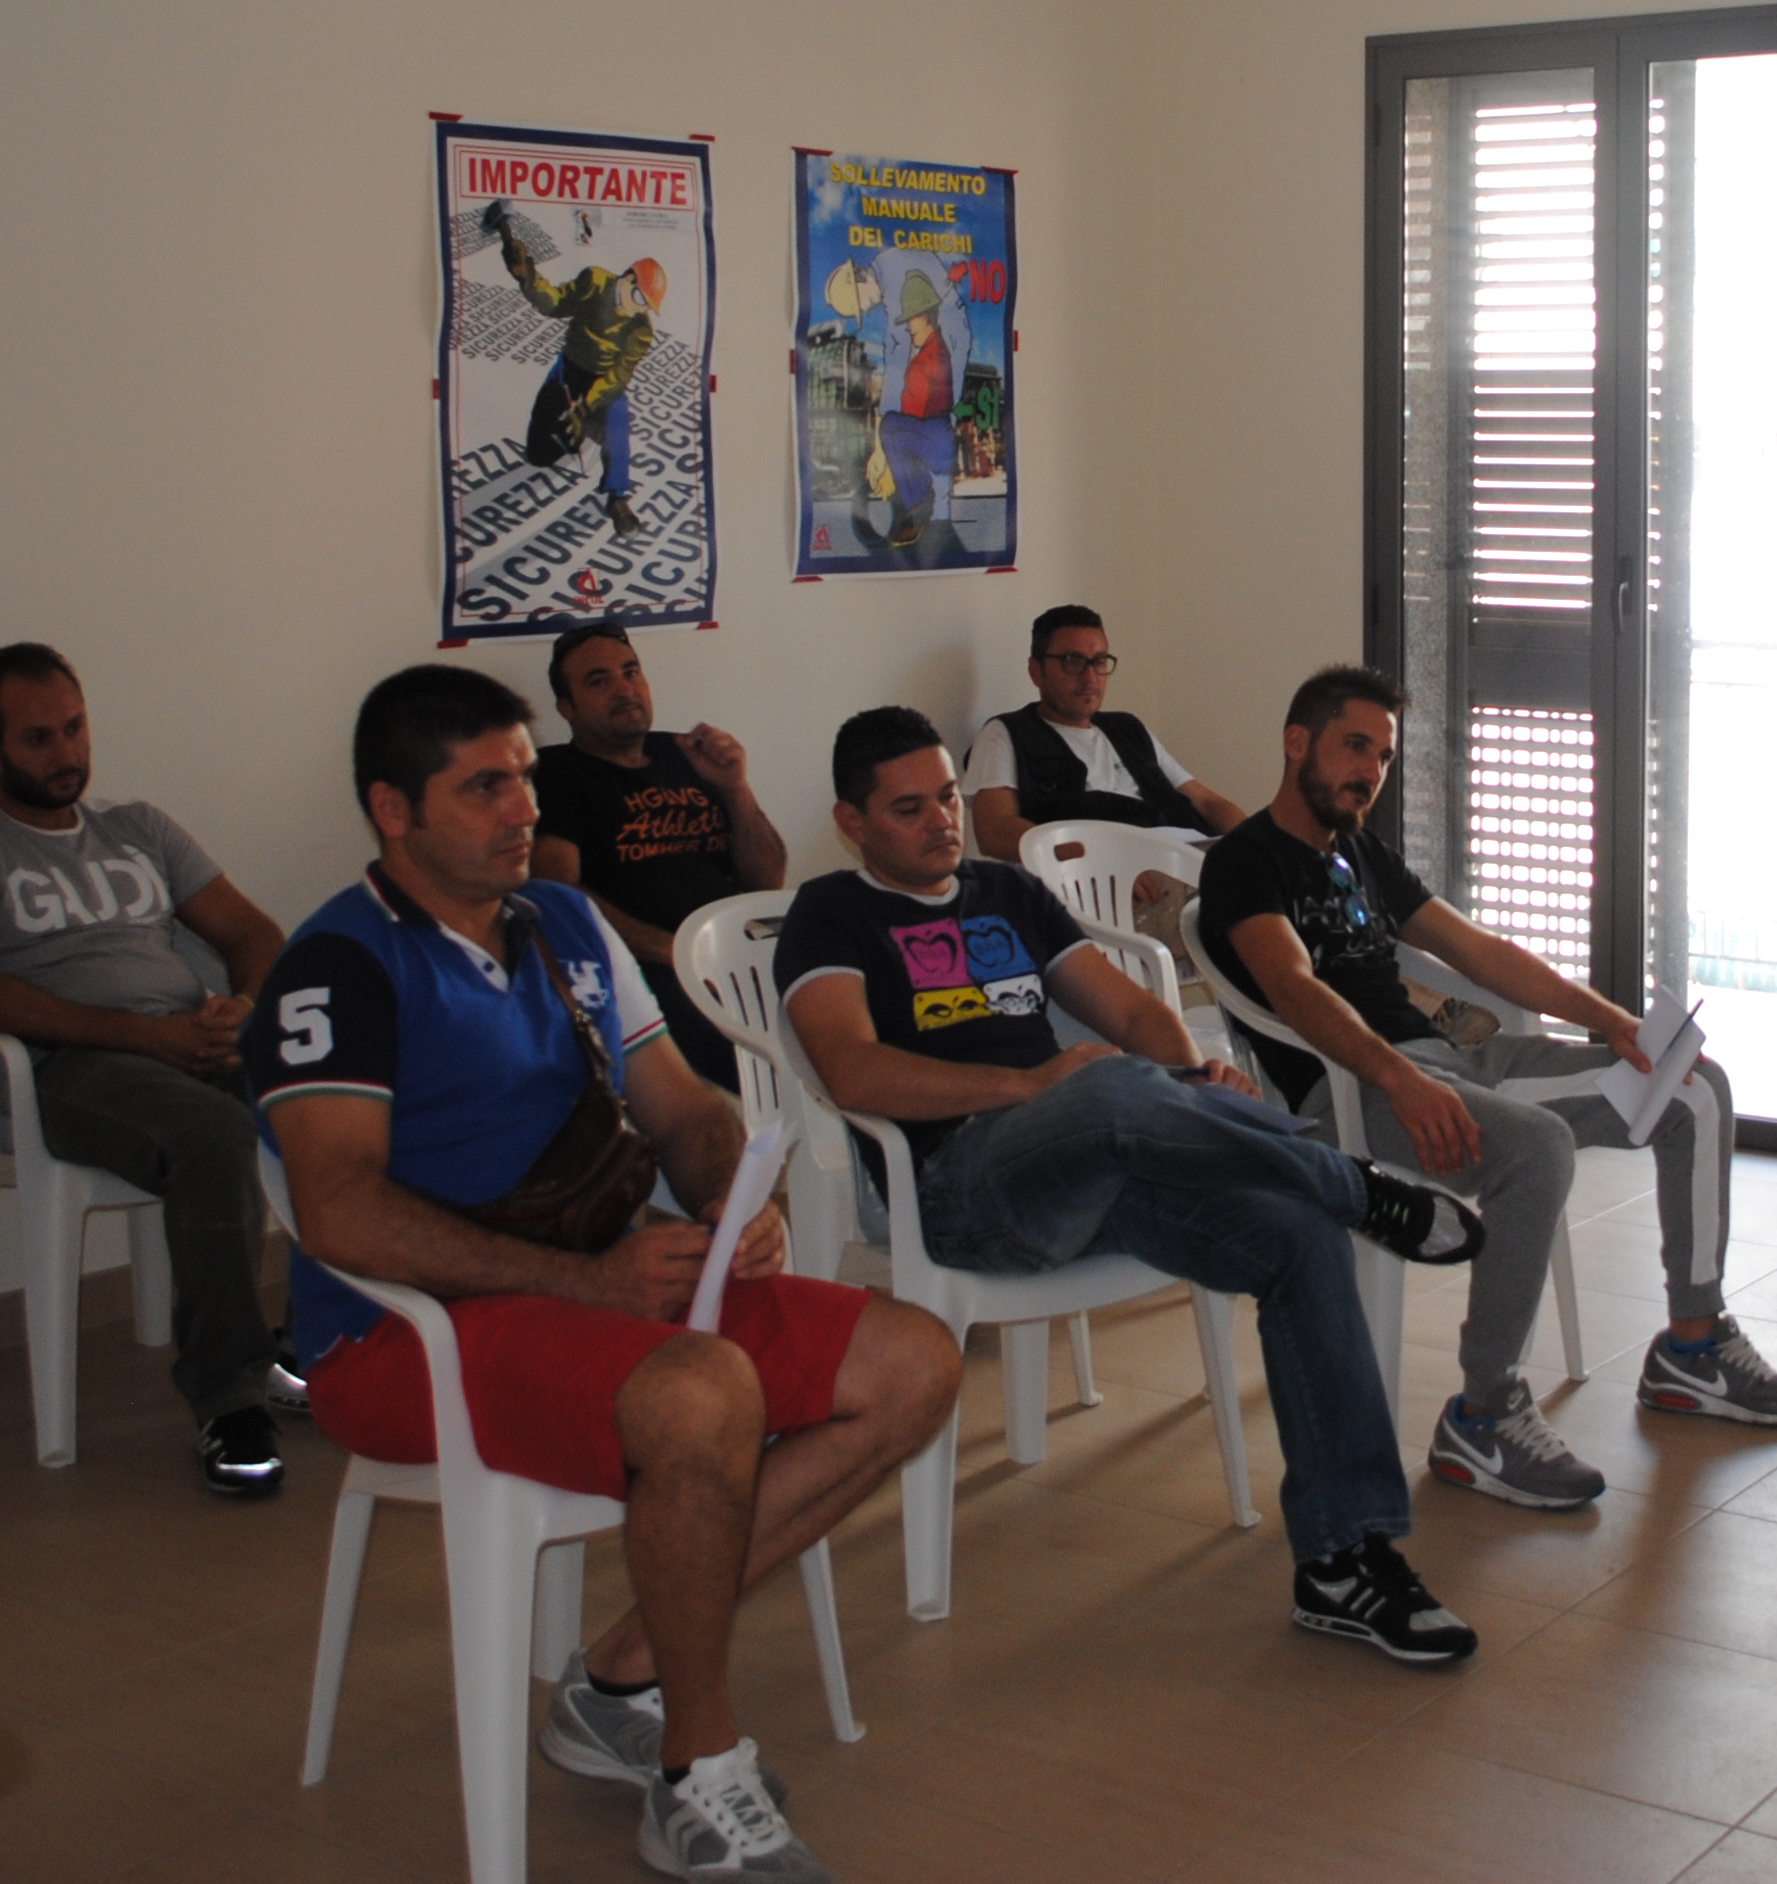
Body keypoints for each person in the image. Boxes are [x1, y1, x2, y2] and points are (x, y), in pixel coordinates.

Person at [250, 665, 954, 1884]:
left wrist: (735, 1201)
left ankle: (617, 1678)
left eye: (525, 778)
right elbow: (339, 1211)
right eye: (483, 788)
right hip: (404, 1338)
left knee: (912, 1362)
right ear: (393, 810)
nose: (522, 808)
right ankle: (695, 1765)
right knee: (701, 1394)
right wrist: (585, 1285)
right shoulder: (338, 967)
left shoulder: (561, 925)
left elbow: (681, 1109)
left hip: (596, 1291)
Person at [776, 705, 1491, 1664]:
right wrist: (1031, 1087)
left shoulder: (1006, 891)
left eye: (947, 796)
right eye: (910, 809)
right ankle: (1349, 1182)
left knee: (1296, 1235)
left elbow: (1130, 1011)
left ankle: (1344, 1558)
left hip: (1097, 1169)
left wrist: (1190, 1072)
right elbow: (852, 1071)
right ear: (851, 822)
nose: (942, 820)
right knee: (1109, 1088)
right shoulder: (830, 913)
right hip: (964, 1190)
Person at [1198, 664, 1777, 1513]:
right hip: (1352, 1096)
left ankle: (1694, 1344)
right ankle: (1483, 1416)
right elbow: (1294, 990)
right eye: (1355, 747)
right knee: (1538, 1148)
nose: (1371, 771)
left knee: (1694, 1086)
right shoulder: (1246, 862)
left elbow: (1479, 951)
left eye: (1383, 756)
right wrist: (1400, 1077)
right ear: (1296, 742)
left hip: (1449, 1062)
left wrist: (1612, 1022)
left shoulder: (1360, 853)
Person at [0, 644, 300, 1497]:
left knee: (337, 1098)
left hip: (190, 1039)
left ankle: (315, 1341)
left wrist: (244, 1005)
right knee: (214, 1133)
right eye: (38, 738)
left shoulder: (139, 826)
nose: (66, 753)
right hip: (74, 1070)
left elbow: (251, 932)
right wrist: (145, 1039)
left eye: (75, 728)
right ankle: (229, 1399)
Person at [528, 619, 791, 1095]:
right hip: (651, 972)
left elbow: (767, 881)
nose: (624, 689)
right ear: (566, 707)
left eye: (631, 672)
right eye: (599, 681)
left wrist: (736, 789)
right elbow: (557, 893)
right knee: (774, 1073)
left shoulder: (687, 753)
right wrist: (679, 953)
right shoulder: (556, 774)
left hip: (741, 954)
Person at [964, 604, 1248, 860]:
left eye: (1099, 662)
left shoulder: (1128, 729)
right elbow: (994, 832)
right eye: (1072, 662)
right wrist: (1099, 861)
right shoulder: (1006, 735)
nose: (1090, 678)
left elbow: (1207, 802)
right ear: (1036, 671)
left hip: (1187, 859)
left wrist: (1253, 846)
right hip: (1102, 877)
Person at [494, 200, 665, 537]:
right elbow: (555, 303)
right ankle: (583, 430)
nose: (638, 309)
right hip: (567, 374)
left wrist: (586, 407)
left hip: (603, 388)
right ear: (627, 278)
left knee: (618, 420)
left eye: (646, 305)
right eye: (639, 297)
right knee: (539, 456)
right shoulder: (595, 281)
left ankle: (617, 497)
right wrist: (526, 274)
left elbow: (619, 375)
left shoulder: (641, 330)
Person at [873, 268, 953, 551]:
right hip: (934, 433)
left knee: (890, 427)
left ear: (927, 317)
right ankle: (917, 497)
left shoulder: (928, 358)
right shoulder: (932, 351)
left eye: (912, 319)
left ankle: (917, 502)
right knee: (893, 426)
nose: (909, 327)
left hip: (935, 436)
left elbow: (915, 409)